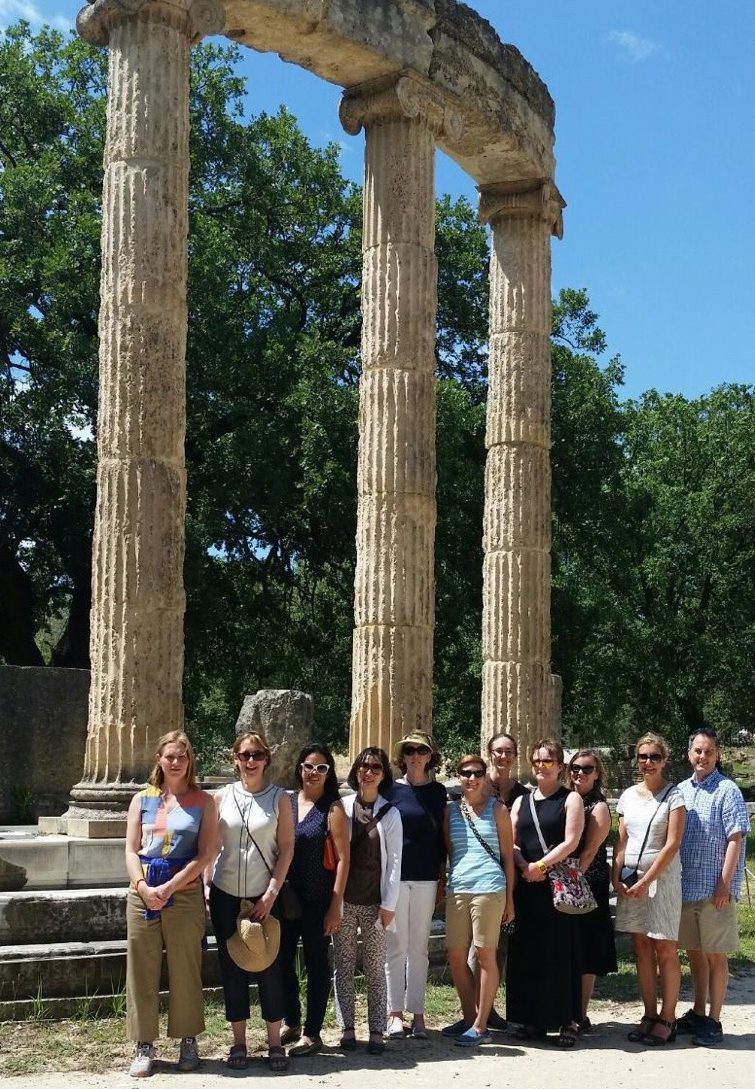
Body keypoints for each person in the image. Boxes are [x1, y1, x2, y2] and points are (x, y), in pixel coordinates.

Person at [124, 730, 217, 1078]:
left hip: (185, 889)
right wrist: (143, 886)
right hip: (143, 890)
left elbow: (206, 853)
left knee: (186, 966)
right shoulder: (141, 800)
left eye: (182, 756)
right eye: (170, 756)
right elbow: (131, 850)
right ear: (158, 760)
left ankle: (187, 1038)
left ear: (189, 761)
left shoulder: (203, 801)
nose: (175, 762)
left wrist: (172, 886)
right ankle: (143, 1043)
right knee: (142, 968)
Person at [207, 731, 295, 1073]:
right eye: (244, 755)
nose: (251, 761)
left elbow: (286, 849)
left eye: (257, 754)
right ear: (235, 759)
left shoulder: (279, 799)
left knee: (269, 965)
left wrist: (272, 892)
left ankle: (274, 1042)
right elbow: (212, 846)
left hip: (263, 892)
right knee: (232, 968)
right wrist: (204, 886)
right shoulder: (222, 796)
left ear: (266, 759)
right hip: (225, 890)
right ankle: (239, 1041)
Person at [505, 738, 584, 1047]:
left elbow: (572, 841)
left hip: (556, 885)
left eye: (547, 761)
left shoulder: (570, 799)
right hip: (526, 886)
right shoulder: (522, 801)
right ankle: (531, 1019)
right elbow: (511, 840)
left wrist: (540, 865)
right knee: (527, 952)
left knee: (559, 952)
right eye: (536, 761)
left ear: (559, 766)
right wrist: (524, 864)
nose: (541, 766)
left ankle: (567, 1020)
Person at [676, 728, 749, 1047]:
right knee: (694, 954)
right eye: (697, 751)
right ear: (689, 754)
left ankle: (715, 1021)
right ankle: (699, 1011)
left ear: (717, 754)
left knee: (716, 956)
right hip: (686, 886)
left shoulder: (727, 790)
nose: (702, 756)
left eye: (708, 751)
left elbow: (736, 838)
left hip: (713, 888)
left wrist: (724, 883)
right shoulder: (681, 790)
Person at [613, 732, 686, 1046]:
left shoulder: (675, 796)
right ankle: (648, 1013)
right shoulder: (628, 795)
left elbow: (672, 844)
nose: (648, 762)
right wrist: (617, 875)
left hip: (663, 880)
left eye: (654, 757)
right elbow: (622, 840)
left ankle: (668, 1018)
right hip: (631, 881)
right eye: (643, 756)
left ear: (664, 760)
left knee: (665, 949)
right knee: (641, 948)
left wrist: (648, 880)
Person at [278, 743, 350, 1057]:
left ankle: (312, 1032)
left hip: (319, 897)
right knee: (281, 961)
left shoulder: (332, 808)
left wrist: (336, 904)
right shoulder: (287, 801)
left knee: (317, 965)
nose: (314, 772)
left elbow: (344, 859)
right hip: (287, 895)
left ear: (329, 773)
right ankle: (291, 1020)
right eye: (309, 766)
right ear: (299, 768)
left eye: (321, 768)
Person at [333, 746, 402, 1055]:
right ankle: (346, 1026)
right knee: (343, 965)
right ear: (356, 771)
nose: (369, 772)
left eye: (375, 767)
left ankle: (376, 1028)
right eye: (363, 766)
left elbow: (395, 862)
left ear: (383, 773)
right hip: (344, 900)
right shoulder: (341, 808)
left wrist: (389, 905)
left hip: (375, 902)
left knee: (375, 967)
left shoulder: (391, 813)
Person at [442, 753, 514, 1047]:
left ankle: (482, 1025)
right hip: (458, 888)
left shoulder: (497, 810)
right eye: (465, 773)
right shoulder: (451, 811)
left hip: (490, 888)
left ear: (485, 776)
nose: (471, 778)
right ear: (458, 777)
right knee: (456, 956)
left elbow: (508, 857)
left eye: (476, 773)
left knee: (485, 955)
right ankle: (469, 1015)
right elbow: (450, 852)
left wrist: (510, 900)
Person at [385, 731, 447, 1040]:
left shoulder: (438, 793)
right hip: (395, 878)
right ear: (403, 755)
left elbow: (442, 840)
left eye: (421, 750)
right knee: (395, 945)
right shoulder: (390, 790)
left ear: (429, 755)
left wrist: (442, 879)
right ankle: (394, 1013)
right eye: (409, 750)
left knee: (419, 947)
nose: (415, 755)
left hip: (425, 877)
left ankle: (418, 1013)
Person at [475, 732, 528, 1031]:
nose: (503, 757)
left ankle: (493, 1007)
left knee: (501, 946)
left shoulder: (523, 793)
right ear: (490, 753)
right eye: (498, 751)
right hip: (480, 877)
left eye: (509, 752)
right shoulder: (478, 785)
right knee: (478, 947)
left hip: (510, 875)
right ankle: (476, 1009)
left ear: (515, 756)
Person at [568, 748, 617, 1033]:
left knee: (585, 949)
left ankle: (581, 1013)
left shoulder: (597, 807)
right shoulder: (568, 799)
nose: (580, 773)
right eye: (575, 767)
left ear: (597, 774)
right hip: (566, 882)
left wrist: (570, 881)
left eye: (587, 769)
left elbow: (588, 852)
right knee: (570, 947)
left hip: (588, 883)